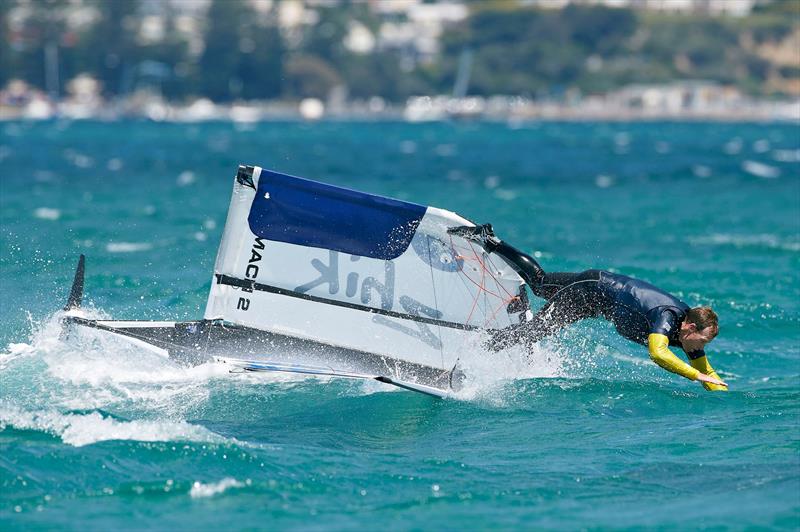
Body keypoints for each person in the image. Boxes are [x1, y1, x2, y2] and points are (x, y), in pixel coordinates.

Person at [449, 224, 727, 391]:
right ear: (690, 327)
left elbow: (706, 371)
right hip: (590, 291)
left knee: (541, 283)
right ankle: (473, 352)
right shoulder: (666, 317)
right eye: (700, 341)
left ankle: (489, 240)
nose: (698, 350)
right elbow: (658, 353)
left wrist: (722, 394)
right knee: (532, 329)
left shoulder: (687, 333)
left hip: (595, 295)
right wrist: (694, 375)